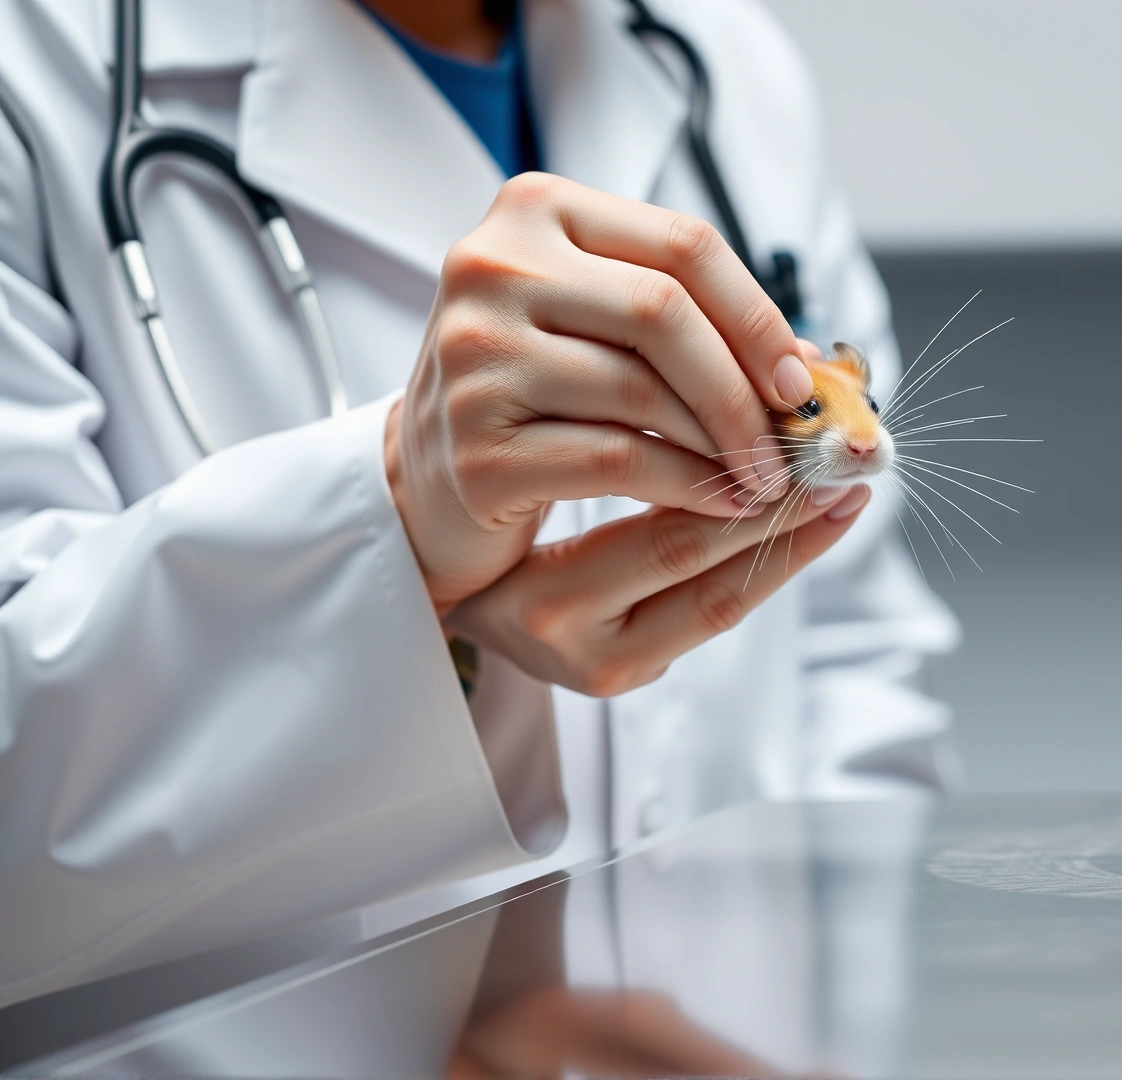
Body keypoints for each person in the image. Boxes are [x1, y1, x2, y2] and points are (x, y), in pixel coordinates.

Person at [0, 0, 959, 1006]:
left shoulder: (721, 57)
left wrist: (833, 1031)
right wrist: (389, 524)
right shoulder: (35, 65)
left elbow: (854, 676)